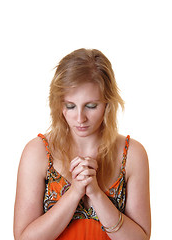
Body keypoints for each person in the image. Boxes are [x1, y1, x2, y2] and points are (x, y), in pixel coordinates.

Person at [13, 48, 151, 240]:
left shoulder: (132, 154)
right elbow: (24, 238)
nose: (80, 118)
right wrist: (75, 192)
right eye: (70, 106)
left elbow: (140, 239)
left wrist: (95, 193)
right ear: (58, 104)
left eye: (91, 106)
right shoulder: (38, 152)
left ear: (107, 104)